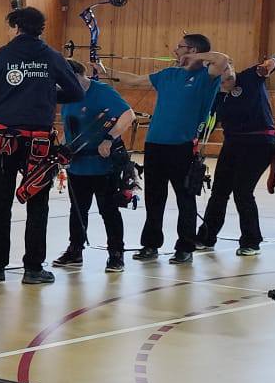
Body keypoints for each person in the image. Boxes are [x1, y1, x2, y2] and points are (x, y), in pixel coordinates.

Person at [99, 33, 232, 264]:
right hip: (155, 145)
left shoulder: (206, 76)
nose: (175, 51)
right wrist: (106, 71)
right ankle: (150, 245)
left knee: (185, 199)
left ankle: (185, 247)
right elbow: (135, 80)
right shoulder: (168, 74)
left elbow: (222, 59)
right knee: (154, 198)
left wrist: (195, 58)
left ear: (193, 50)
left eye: (180, 47)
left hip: (182, 147)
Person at [0, 5, 85, 284]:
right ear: (40, 29)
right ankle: (33, 268)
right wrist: (44, 94)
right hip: (39, 144)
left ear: (16, 27)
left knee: (0, 203)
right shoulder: (52, 57)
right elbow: (75, 91)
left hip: (4, 140)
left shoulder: (2, 56)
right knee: (38, 203)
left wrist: (12, 100)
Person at [50, 60, 137, 273]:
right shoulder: (68, 95)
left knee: (108, 209)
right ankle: (75, 250)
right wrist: (63, 147)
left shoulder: (102, 91)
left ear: (76, 75)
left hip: (103, 164)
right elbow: (69, 126)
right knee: (78, 210)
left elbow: (128, 115)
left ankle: (116, 253)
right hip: (78, 163)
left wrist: (109, 138)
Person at [196, 52, 275, 255]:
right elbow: (207, 123)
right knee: (219, 191)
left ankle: (251, 241)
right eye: (220, 71)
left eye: (227, 68)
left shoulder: (250, 77)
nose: (226, 74)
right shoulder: (216, 94)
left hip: (259, 143)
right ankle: (206, 237)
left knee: (242, 191)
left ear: (232, 67)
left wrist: (271, 62)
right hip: (233, 143)